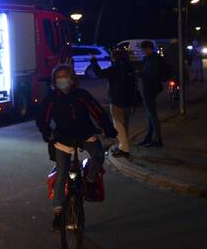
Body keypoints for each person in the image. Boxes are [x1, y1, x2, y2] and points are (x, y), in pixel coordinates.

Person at [36, 65, 112, 233]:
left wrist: (107, 127)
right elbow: (42, 118)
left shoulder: (81, 96)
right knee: (62, 174)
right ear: (54, 80)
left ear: (72, 78)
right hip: (62, 139)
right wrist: (46, 132)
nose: (63, 79)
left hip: (85, 134)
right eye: (59, 76)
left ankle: (90, 182)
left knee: (98, 156)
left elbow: (98, 112)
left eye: (66, 75)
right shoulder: (51, 98)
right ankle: (57, 215)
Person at [89, 48, 137, 158]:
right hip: (128, 100)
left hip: (117, 100)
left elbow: (99, 73)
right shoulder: (129, 67)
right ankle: (123, 145)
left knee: (118, 125)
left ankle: (124, 149)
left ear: (113, 58)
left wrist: (93, 61)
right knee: (125, 125)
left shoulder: (114, 69)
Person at [137, 40, 164, 147]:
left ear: (149, 48)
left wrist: (140, 74)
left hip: (150, 89)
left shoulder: (154, 59)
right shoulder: (149, 58)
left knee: (152, 114)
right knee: (149, 114)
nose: (143, 51)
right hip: (149, 88)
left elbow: (152, 74)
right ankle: (149, 137)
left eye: (144, 49)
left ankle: (157, 139)